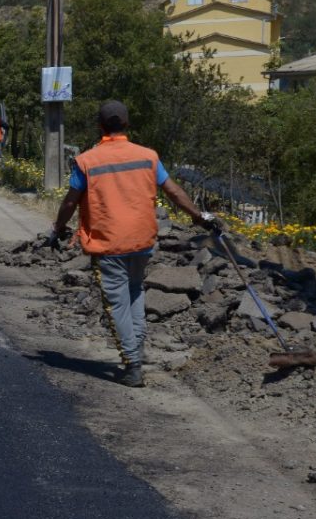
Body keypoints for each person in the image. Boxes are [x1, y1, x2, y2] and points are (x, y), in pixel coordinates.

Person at [50, 100, 221, 388]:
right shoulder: (148, 156)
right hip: (142, 242)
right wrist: (200, 217)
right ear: (127, 125)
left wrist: (57, 229)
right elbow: (174, 192)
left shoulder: (88, 161)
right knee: (134, 293)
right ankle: (136, 351)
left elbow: (70, 201)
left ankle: (132, 364)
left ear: (100, 126)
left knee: (117, 303)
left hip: (108, 244)